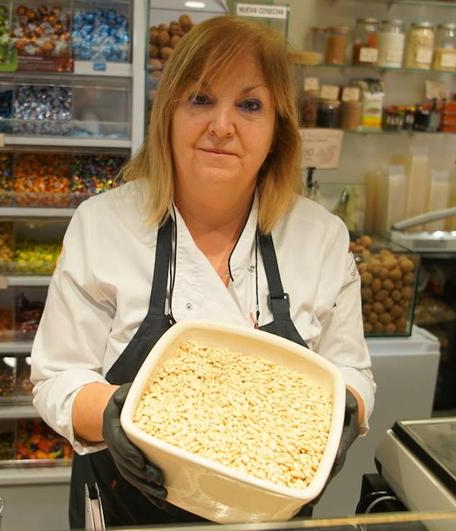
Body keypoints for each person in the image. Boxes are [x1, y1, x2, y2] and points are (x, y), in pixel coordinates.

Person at [30, 15, 376, 529]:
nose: (222, 125)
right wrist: (113, 414)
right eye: (200, 99)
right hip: (128, 509)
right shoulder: (103, 225)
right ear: (167, 113)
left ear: (278, 126)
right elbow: (57, 376)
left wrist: (344, 412)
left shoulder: (321, 238)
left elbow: (350, 371)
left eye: (250, 105)